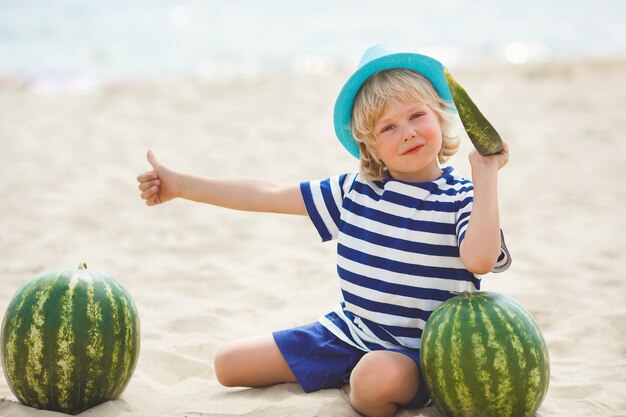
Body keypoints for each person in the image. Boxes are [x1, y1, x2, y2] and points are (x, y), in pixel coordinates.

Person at [136, 45, 511, 417]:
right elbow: (267, 194)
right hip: (346, 334)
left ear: (441, 117)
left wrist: (485, 174)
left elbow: (478, 261)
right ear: (371, 147)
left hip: (415, 355)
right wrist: (181, 186)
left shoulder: (463, 197)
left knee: (371, 381)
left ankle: (352, 382)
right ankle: (342, 371)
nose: (408, 133)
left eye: (417, 115)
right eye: (389, 127)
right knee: (229, 365)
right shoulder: (354, 190)